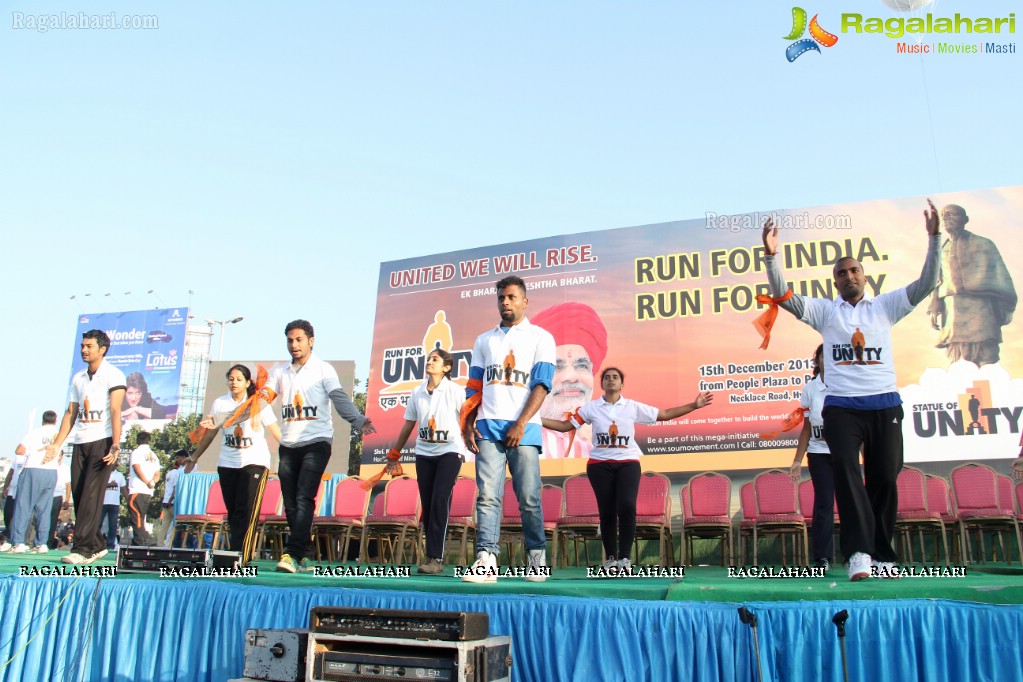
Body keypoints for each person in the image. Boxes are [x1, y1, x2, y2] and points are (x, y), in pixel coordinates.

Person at [760, 201, 940, 580]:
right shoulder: (827, 312)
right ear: (835, 281)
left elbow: (927, 284)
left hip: (884, 404)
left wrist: (935, 239)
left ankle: (882, 553)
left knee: (885, 479)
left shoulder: (885, 307)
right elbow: (783, 297)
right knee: (844, 469)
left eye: (854, 269)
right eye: (841, 273)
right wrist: (771, 257)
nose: (848, 275)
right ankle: (858, 552)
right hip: (841, 408)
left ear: (864, 275)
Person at [543, 368, 712, 572]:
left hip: (628, 464)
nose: (611, 380)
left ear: (621, 384)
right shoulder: (591, 408)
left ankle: (624, 558)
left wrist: (694, 405)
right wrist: (535, 419)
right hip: (599, 466)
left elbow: (665, 415)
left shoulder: (632, 407)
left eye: (615, 378)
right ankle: (611, 558)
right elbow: (564, 426)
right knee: (607, 513)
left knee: (626, 506)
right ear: (602, 384)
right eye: (607, 378)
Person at [461, 276, 556, 583]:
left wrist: (520, 422)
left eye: (512, 297)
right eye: (501, 297)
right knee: (487, 496)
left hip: (524, 429)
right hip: (488, 427)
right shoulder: (483, 340)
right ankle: (487, 558)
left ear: (525, 301)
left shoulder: (541, 337)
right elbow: (474, 386)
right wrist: (467, 424)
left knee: (528, 497)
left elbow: (542, 385)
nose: (506, 302)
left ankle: (536, 556)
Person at [265, 320, 376, 573]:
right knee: (291, 502)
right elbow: (264, 399)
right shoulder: (280, 373)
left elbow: (338, 398)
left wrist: (358, 420)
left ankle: (291, 553)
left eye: (299, 340)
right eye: (290, 340)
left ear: (311, 341)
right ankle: (304, 553)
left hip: (317, 442)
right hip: (288, 444)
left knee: (304, 496)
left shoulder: (324, 369)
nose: (294, 345)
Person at [46, 329, 126, 565]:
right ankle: (98, 544)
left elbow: (115, 410)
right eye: (82, 346)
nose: (84, 350)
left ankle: (82, 549)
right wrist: (57, 444)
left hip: (102, 441)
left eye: (89, 346)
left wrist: (115, 445)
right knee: (80, 495)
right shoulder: (78, 377)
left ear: (102, 349)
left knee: (92, 496)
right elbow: (71, 412)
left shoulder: (114, 375)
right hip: (80, 441)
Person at [189, 364, 282, 565]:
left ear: (248, 382)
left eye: (239, 379)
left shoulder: (257, 403)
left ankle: (241, 556)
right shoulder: (220, 403)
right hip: (227, 463)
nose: (234, 382)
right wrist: (194, 457)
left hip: (255, 462)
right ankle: (234, 553)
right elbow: (211, 433)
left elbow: (275, 430)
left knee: (246, 510)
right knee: (233, 512)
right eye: (231, 378)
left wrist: (292, 453)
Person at [385, 348, 467, 575]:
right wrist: (395, 453)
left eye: (435, 359)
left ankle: (436, 558)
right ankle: (431, 555)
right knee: (429, 503)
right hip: (424, 454)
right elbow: (408, 424)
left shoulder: (455, 390)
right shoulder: (417, 392)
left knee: (441, 498)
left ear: (447, 367)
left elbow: (467, 419)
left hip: (450, 452)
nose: (429, 362)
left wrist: (471, 440)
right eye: (428, 359)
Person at [927, 204, 1017, 366]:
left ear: (964, 220)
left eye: (951, 214)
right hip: (953, 312)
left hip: (981, 309)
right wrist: (935, 306)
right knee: (959, 359)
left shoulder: (984, 244)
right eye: (943, 215)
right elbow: (936, 281)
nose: (946, 218)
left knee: (985, 355)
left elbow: (1000, 277)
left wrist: (1006, 307)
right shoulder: (941, 249)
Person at [531, 302, 609, 460]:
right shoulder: (507, 434)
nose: (571, 376)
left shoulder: (612, 432)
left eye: (582, 365)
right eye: (556, 367)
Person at [788, 345, 834, 571]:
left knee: (851, 501)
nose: (827, 360)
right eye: (823, 356)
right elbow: (806, 427)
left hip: (844, 452)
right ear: (817, 360)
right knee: (824, 502)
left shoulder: (846, 384)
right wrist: (797, 460)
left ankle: (858, 553)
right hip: (818, 453)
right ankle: (823, 558)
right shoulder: (811, 389)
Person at [4, 411, 61, 554]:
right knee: (44, 510)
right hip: (51, 472)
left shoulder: (34, 433)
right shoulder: (59, 435)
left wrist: (31, 451)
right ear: (55, 421)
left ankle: (18, 542)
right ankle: (41, 543)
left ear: (43, 420)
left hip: (33, 469)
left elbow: (19, 450)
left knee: (24, 507)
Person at [126, 431, 160, 546]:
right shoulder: (154, 455)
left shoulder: (137, 452)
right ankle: (142, 540)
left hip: (137, 489)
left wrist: (145, 482)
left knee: (136, 518)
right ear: (149, 441)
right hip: (148, 492)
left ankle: (138, 543)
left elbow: (136, 468)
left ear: (137, 440)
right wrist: (152, 483)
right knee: (141, 517)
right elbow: (157, 473)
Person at [159, 450, 190, 547]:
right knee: (173, 526)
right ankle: (169, 546)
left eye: (178, 457)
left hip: (168, 501)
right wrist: (170, 500)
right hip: (173, 502)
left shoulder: (170, 473)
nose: (177, 460)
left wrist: (167, 500)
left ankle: (160, 546)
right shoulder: (178, 472)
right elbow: (175, 488)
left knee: (165, 526)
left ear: (184, 457)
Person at [0, 450, 26, 551]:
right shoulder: (17, 458)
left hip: (23, 492)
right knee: (8, 514)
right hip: (12, 491)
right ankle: (8, 539)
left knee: (21, 517)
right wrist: (5, 487)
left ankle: (18, 541)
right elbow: (11, 473)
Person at [48, 459, 71, 550]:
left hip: (57, 496)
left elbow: (68, 484)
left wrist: (67, 500)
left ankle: (48, 543)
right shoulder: (47, 464)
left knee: (53, 521)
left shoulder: (65, 468)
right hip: (46, 495)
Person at [103, 467, 128, 552]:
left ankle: (110, 545)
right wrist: (110, 484)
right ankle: (96, 543)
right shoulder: (103, 472)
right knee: (98, 524)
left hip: (114, 503)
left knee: (113, 526)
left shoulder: (119, 475)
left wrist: (128, 500)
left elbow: (123, 488)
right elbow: (99, 484)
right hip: (102, 502)